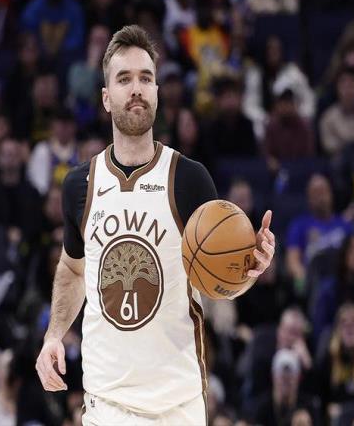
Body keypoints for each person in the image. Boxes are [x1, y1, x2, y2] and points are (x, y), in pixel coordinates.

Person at [35, 25, 276, 424]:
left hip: (177, 405)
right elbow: (74, 269)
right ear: (106, 97)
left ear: (157, 92)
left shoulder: (189, 178)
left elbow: (219, 281)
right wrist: (53, 336)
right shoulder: (80, 184)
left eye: (146, 78)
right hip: (106, 404)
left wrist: (250, 268)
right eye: (124, 79)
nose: (137, 89)